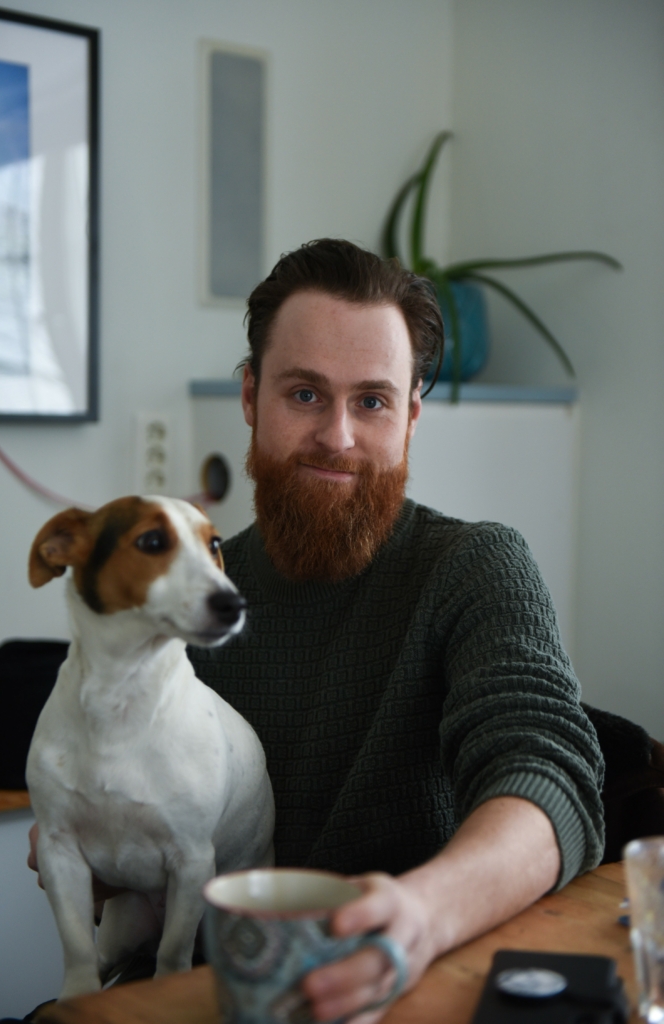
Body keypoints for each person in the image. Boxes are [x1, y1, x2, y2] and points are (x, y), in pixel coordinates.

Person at [29, 238, 604, 1023]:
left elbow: (549, 774)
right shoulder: (191, 600)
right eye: (305, 395)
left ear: (410, 419)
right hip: (194, 999)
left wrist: (420, 913)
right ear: (249, 397)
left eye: (372, 401)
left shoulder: (474, 566)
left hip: (400, 994)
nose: (338, 436)